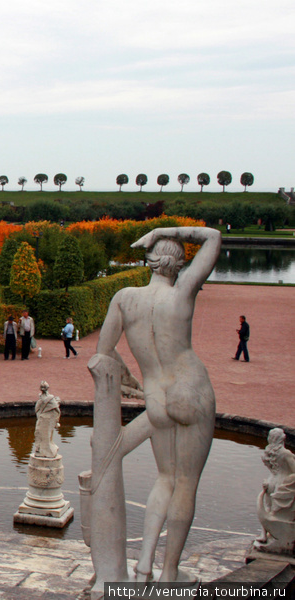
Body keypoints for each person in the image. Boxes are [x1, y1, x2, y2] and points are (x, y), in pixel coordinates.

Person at [93, 226, 221, 582]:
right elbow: (212, 237)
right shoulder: (181, 293)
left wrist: (129, 380)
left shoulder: (123, 298)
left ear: (149, 262)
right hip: (191, 389)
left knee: (165, 478)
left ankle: (145, 562)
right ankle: (169, 573)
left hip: (156, 399)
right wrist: (161, 230)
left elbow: (103, 353)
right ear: (178, 265)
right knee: (185, 484)